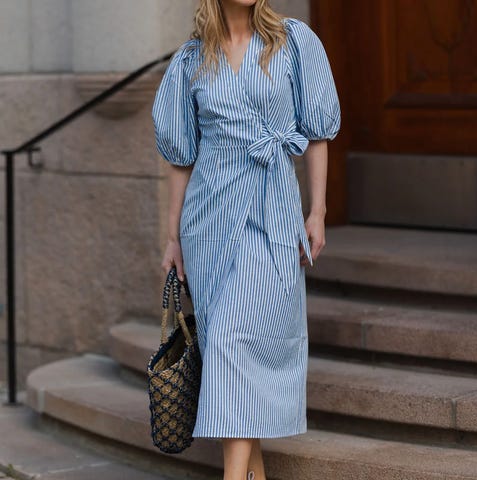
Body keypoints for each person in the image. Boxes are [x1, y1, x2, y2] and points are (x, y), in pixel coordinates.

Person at [152, 0, 340, 478]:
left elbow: (317, 132)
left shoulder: (294, 42)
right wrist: (173, 237)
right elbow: (181, 158)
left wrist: (317, 210)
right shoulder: (191, 60)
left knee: (232, 342)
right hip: (208, 222)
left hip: (273, 213)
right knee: (228, 354)